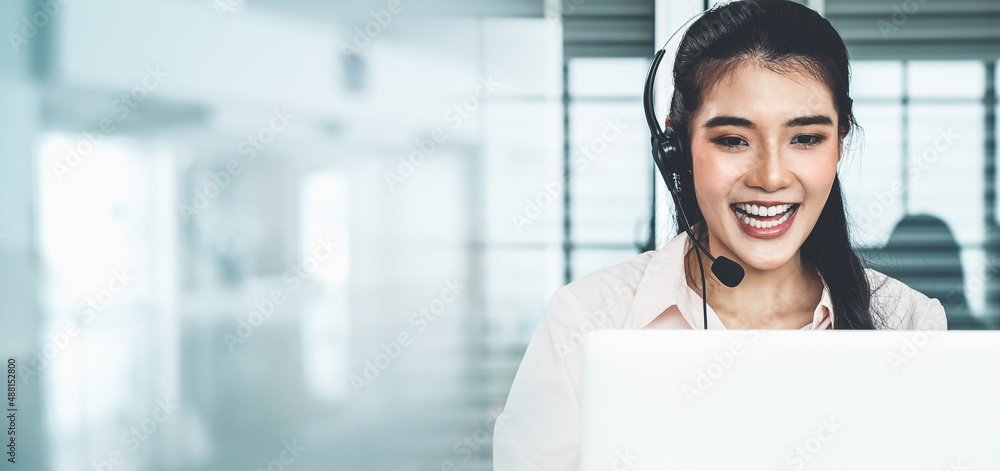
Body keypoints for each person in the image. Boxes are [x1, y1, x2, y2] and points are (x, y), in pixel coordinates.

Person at [492, 0, 948, 469]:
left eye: (805, 138)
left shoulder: (908, 324)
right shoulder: (587, 323)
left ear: (839, 143)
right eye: (733, 139)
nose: (771, 177)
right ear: (677, 148)